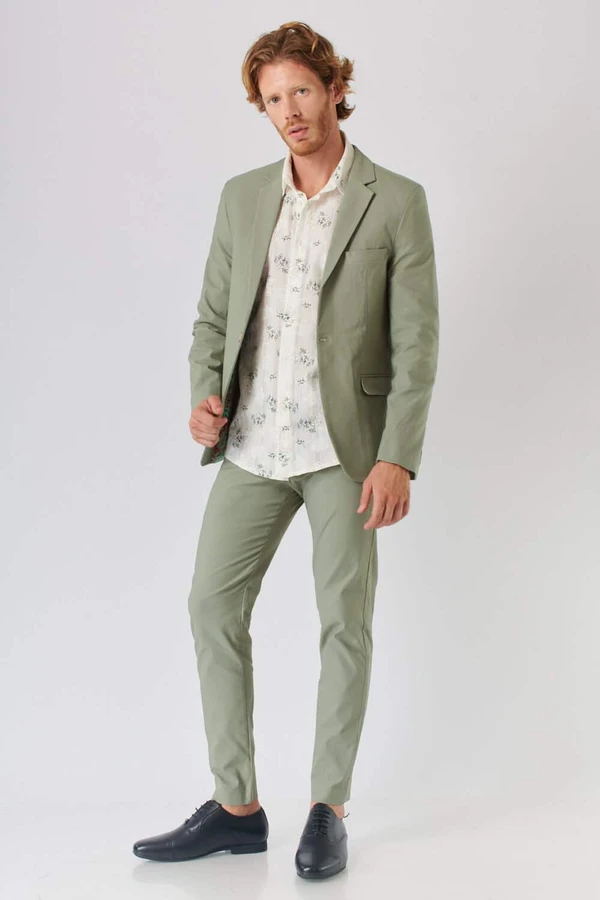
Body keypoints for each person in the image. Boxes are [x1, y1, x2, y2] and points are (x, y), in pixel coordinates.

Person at [133, 20, 439, 880]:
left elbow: (417, 343)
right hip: (253, 443)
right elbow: (213, 315)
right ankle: (236, 808)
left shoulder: (395, 199)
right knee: (210, 606)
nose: (290, 110)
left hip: (347, 452)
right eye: (273, 98)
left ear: (335, 88)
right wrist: (204, 397)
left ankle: (327, 808)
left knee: (345, 623)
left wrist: (398, 455)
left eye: (302, 90)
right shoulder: (242, 197)